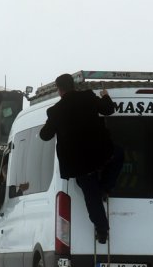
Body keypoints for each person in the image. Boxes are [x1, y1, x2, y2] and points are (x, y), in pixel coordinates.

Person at [39, 73, 124, 244]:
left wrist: (51, 122)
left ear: (59, 89)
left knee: (91, 195)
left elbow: (45, 135)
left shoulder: (56, 111)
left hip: (78, 164)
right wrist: (106, 96)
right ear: (73, 85)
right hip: (100, 153)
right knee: (119, 154)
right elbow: (108, 109)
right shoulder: (88, 97)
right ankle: (106, 187)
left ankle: (102, 231)